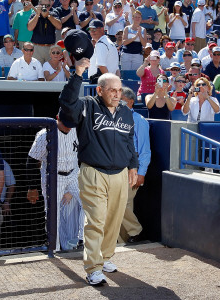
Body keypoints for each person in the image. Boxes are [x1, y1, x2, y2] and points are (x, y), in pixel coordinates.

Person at [58, 59, 138, 285]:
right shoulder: (87, 105)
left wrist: (133, 165)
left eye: (119, 90)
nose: (116, 94)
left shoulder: (125, 111)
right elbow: (66, 103)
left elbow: (129, 141)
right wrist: (78, 74)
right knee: (96, 220)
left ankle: (105, 257)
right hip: (93, 171)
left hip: (120, 173)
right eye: (112, 90)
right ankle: (93, 267)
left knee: (113, 220)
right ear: (100, 90)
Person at [27, 117, 85, 251]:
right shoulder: (45, 135)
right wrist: (32, 186)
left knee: (89, 202)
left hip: (73, 172)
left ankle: (82, 239)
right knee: (53, 214)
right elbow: (31, 161)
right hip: (54, 176)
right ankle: (55, 248)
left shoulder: (77, 130)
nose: (69, 127)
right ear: (58, 118)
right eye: (66, 124)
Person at [120, 87, 151, 243]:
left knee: (122, 202)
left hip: (133, 166)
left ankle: (136, 231)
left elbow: (145, 150)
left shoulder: (139, 120)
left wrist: (141, 173)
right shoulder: (113, 118)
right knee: (122, 202)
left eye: (121, 100)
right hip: (116, 166)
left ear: (131, 102)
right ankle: (122, 240)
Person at [27, 0, 62, 64]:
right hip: (37, 48)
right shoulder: (34, 15)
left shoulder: (53, 14)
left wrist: (48, 16)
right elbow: (29, 28)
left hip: (50, 48)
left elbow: (59, 26)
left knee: (50, 70)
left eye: (47, 6)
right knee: (37, 70)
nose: (45, 7)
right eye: (43, 5)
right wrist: (37, 14)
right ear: (39, 5)